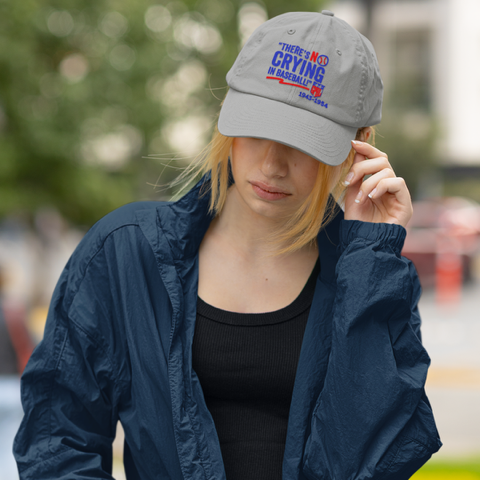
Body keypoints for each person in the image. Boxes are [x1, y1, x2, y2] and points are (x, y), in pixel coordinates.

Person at [13, 10, 442, 480]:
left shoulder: (366, 273)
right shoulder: (125, 253)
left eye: (304, 142)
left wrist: (371, 254)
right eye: (259, 130)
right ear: (228, 118)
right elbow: (57, 438)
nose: (274, 164)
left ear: (357, 147)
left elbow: (376, 461)